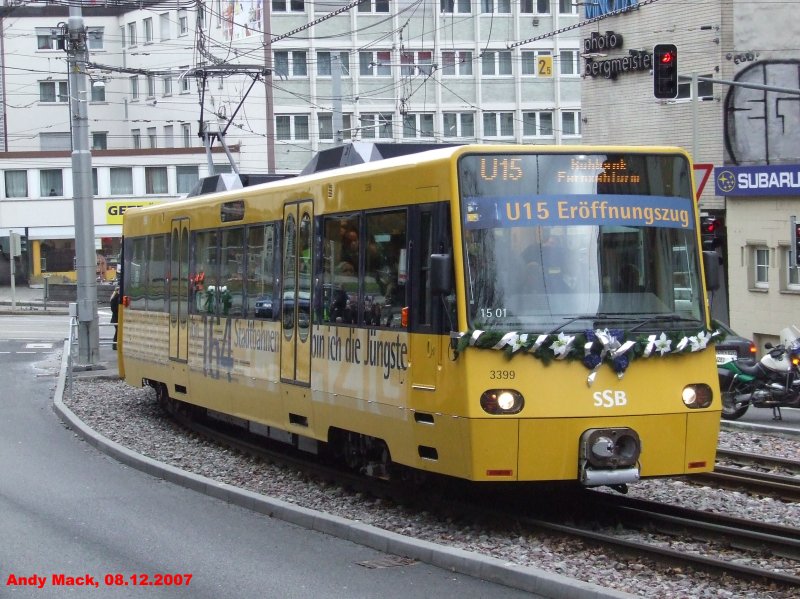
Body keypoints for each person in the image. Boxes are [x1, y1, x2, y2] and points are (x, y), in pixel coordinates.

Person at [110, 286, 120, 350]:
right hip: (116, 318)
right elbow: (115, 309)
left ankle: (115, 344)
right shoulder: (116, 298)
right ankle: (115, 345)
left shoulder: (113, 298)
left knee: (117, 331)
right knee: (118, 331)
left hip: (115, 318)